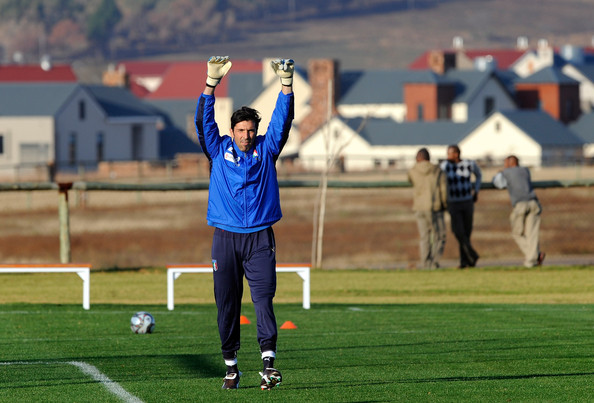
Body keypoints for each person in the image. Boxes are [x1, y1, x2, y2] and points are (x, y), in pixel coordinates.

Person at [194, 56, 295, 390]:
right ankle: (231, 367)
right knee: (227, 304)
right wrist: (210, 85)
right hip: (225, 238)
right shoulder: (217, 150)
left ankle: (268, 365)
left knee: (263, 300)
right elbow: (203, 123)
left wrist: (286, 86)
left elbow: (282, 122)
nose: (247, 135)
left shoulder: (267, 150)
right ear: (232, 131)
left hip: (260, 239)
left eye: (251, 130)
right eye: (241, 130)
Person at [492, 155, 545, 267]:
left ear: (510, 163)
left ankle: (533, 258)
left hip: (520, 204)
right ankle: (533, 258)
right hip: (534, 202)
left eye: (505, 162)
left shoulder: (506, 172)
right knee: (532, 234)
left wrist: (499, 173)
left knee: (517, 233)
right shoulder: (525, 170)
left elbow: (499, 184)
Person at [440, 145, 481, 268]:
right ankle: (471, 254)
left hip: (467, 201)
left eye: (450, 153)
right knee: (458, 231)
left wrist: (476, 191)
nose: (448, 156)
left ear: (456, 154)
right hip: (453, 202)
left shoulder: (469, 164)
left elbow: (479, 175)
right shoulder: (445, 166)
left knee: (467, 231)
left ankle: (465, 261)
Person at [407, 148, 447, 269]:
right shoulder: (437, 170)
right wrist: (445, 204)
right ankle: (433, 262)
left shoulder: (413, 170)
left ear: (417, 158)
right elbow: (444, 189)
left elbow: (409, 180)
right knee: (439, 236)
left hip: (419, 207)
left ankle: (425, 263)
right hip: (435, 207)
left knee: (424, 237)